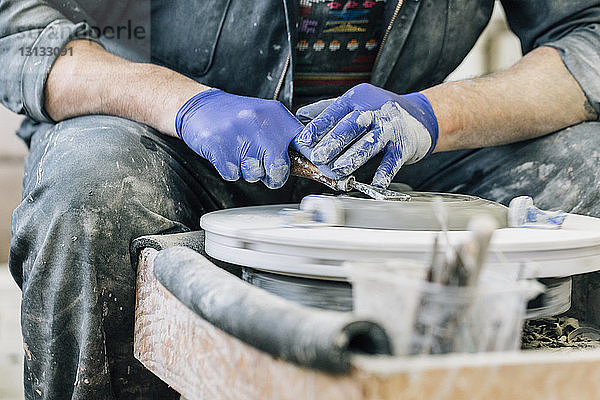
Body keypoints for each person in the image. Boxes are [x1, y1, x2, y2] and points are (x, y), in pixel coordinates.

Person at [1, 0, 598, 398]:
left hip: (393, 149)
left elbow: (588, 28)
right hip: (158, 131)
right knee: (91, 188)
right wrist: (185, 105)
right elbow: (17, 28)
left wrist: (432, 115)